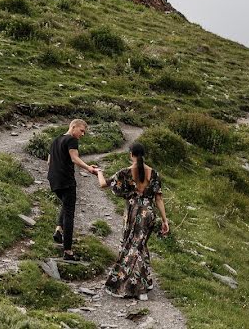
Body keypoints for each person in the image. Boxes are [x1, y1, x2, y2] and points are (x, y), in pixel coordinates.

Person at [95, 142, 169, 300]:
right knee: (140, 246)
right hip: (148, 214)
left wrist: (98, 171)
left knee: (131, 248)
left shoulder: (125, 172)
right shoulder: (154, 173)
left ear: (131, 154)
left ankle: (137, 288)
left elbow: (103, 184)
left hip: (133, 213)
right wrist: (164, 220)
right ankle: (146, 281)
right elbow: (159, 198)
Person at [47, 119, 100, 261]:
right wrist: (89, 167)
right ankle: (68, 251)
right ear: (73, 127)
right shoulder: (71, 140)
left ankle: (59, 229)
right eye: (81, 130)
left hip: (53, 180)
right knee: (70, 213)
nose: (82, 134)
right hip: (66, 180)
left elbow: (49, 161)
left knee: (66, 204)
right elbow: (75, 158)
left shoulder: (56, 140)